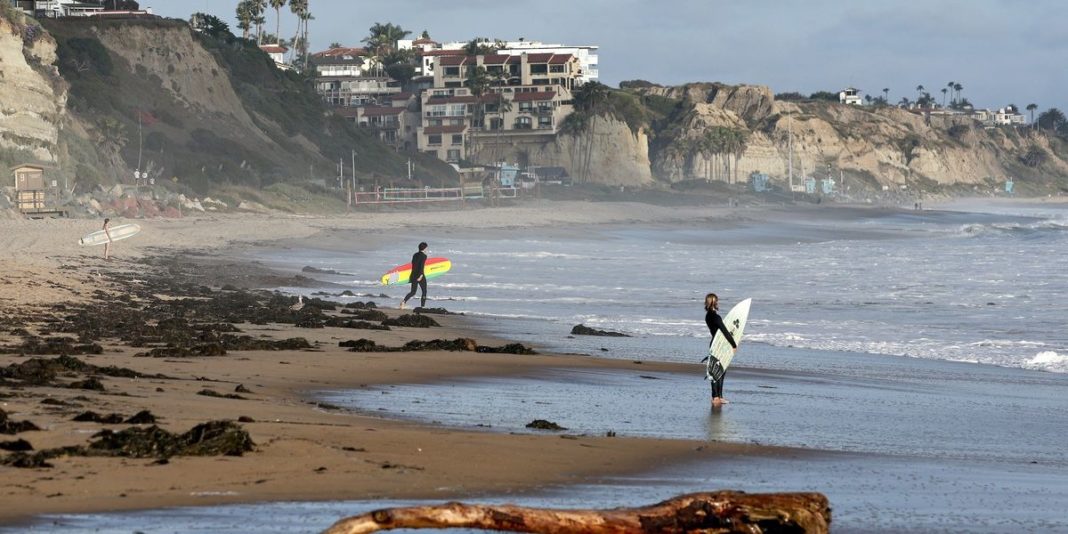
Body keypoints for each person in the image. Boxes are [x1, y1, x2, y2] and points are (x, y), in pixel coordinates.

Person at [704, 293, 737, 407]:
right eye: (716, 301)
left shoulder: (708, 316)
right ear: (713, 302)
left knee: (719, 371)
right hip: (719, 346)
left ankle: (719, 396)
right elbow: (725, 332)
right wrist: (733, 344)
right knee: (718, 371)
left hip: (715, 344)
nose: (718, 302)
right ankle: (715, 397)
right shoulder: (716, 317)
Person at [400, 242, 429, 310]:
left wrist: (412, 276)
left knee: (413, 292)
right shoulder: (424, 256)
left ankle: (404, 302)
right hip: (420, 275)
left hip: (413, 275)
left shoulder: (415, 255)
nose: (427, 249)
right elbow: (421, 266)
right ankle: (422, 306)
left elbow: (413, 265)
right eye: (426, 248)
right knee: (424, 291)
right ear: (424, 248)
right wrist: (421, 276)